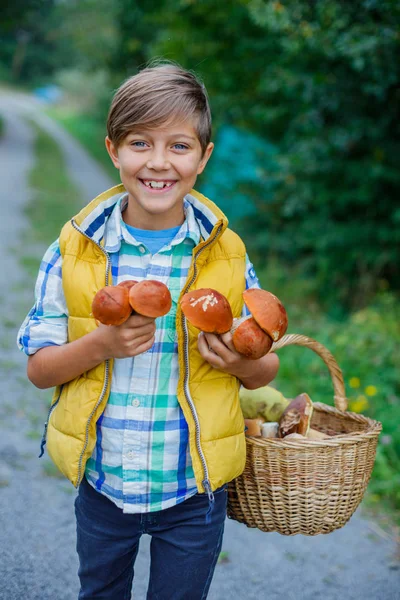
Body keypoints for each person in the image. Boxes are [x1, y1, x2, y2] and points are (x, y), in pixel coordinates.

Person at [17, 62, 279, 600]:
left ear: (203, 158)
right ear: (113, 150)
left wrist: (241, 364)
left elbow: (265, 369)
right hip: (104, 483)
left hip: (194, 489)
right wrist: (101, 344)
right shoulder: (74, 253)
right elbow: (40, 371)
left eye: (179, 146)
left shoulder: (225, 256)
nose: (158, 162)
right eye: (140, 143)